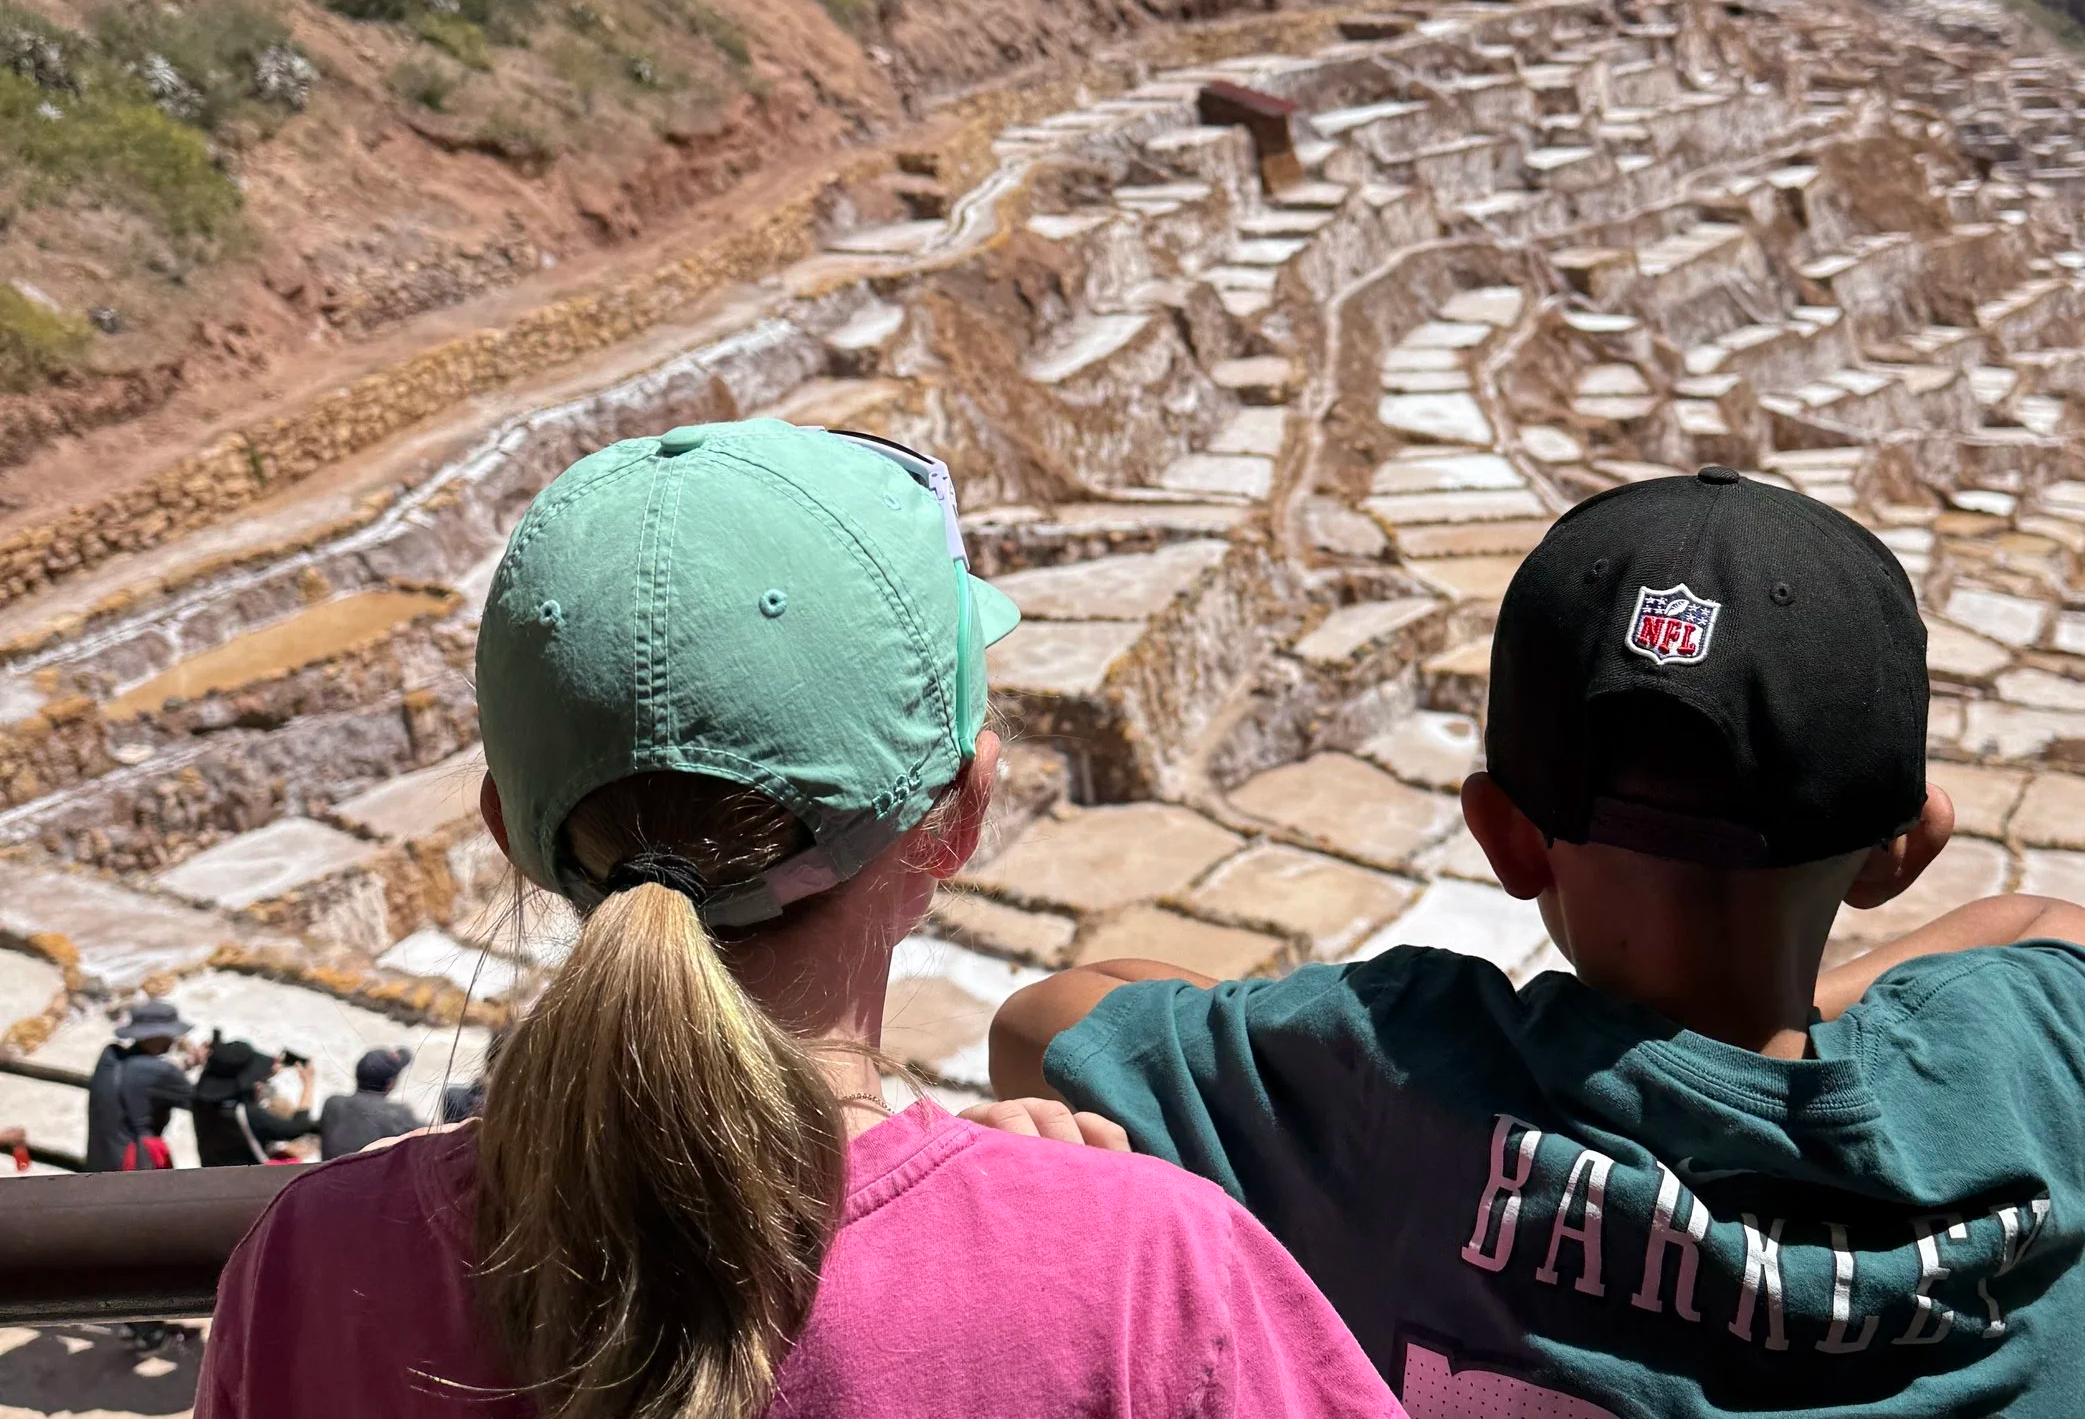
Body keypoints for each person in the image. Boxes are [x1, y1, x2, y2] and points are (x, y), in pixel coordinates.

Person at [196, 419, 1407, 1419]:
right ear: (959, 814)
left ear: (508, 830)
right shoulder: (1147, 1279)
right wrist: (1034, 1221)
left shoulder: (313, 1268)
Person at [995, 467, 2085, 1418]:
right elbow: (2056, 925)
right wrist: (1790, 1026)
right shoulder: (2038, 1055)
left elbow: (1041, 1022)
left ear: (1505, 840)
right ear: (1903, 850)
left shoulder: (1397, 1074)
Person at [84, 998, 198, 1172]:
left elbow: (144, 1075)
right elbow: (200, 1099)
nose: (174, 1038)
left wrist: (186, 1064)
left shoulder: (110, 1057)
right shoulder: (161, 1072)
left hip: (102, 1162)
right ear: (156, 1035)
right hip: (135, 1166)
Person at [193, 1038, 319, 1167]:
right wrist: (308, 1083)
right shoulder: (247, 1115)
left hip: (211, 1173)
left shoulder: (199, 1100)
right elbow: (298, 1127)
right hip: (247, 1180)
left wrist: (264, 1072)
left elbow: (224, 1079)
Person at [317, 1048, 417, 1158]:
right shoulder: (398, 1114)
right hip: (369, 1175)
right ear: (390, 1083)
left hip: (329, 1174)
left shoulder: (332, 1104)